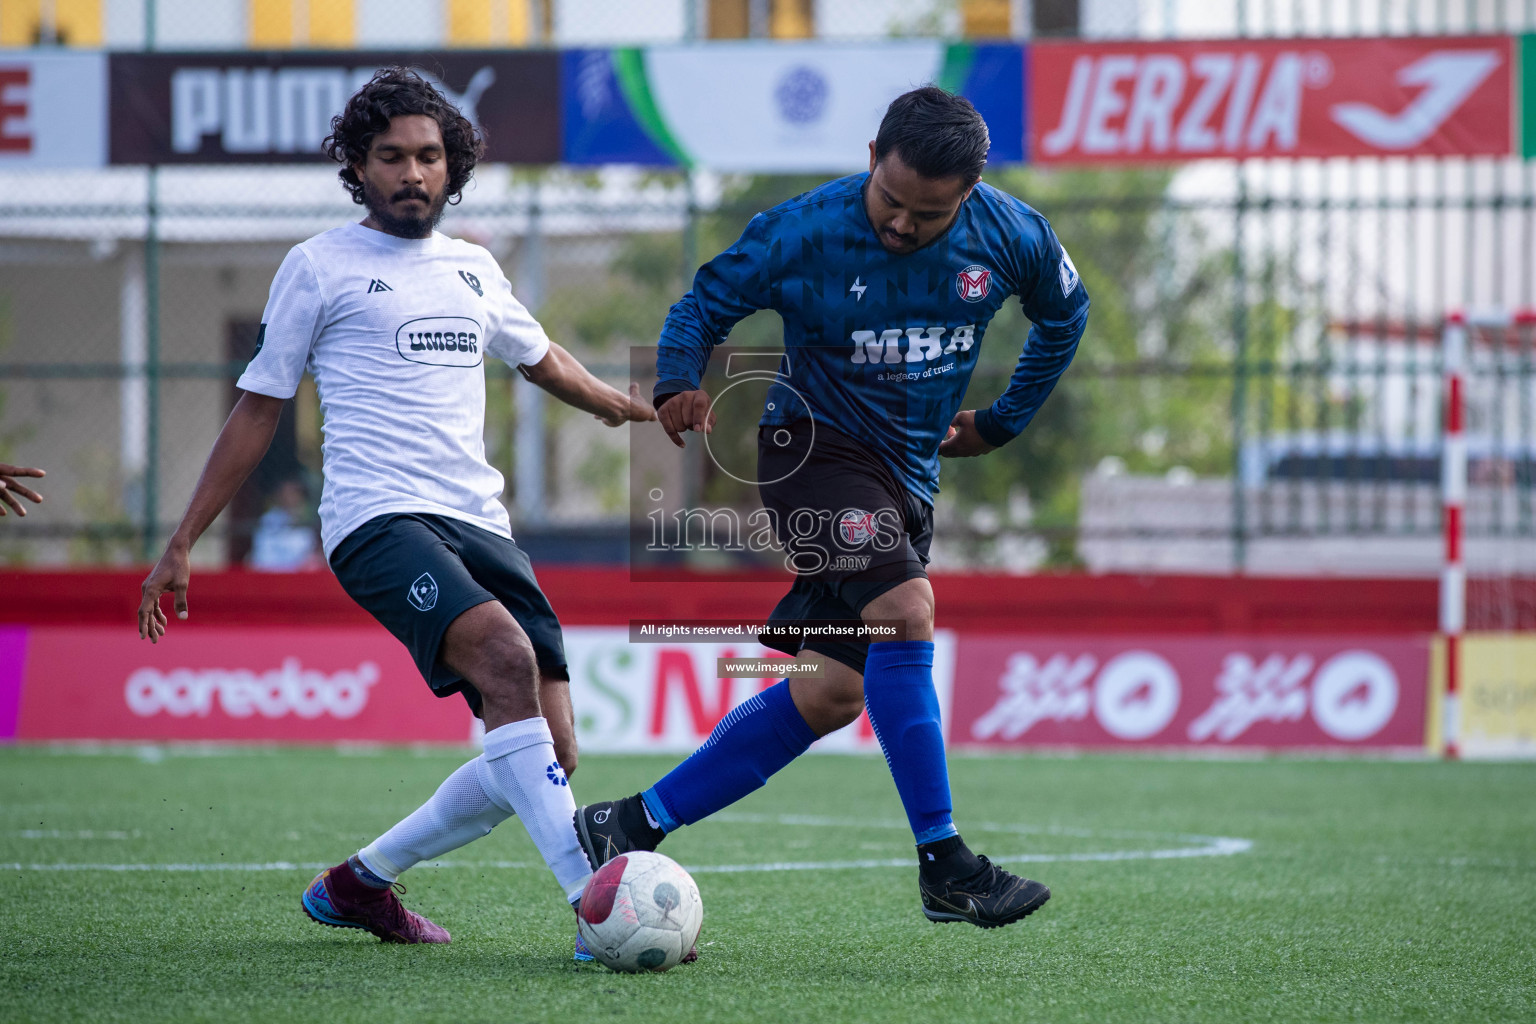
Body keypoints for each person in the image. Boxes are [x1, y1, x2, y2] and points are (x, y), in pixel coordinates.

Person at [136, 68, 655, 954]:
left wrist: (620, 405)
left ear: (453, 168)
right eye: (392, 157)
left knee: (548, 751)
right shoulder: (318, 266)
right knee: (503, 656)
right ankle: (593, 905)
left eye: (429, 156)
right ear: (359, 168)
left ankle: (358, 884)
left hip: (480, 523)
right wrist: (184, 539)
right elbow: (259, 406)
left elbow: (541, 356)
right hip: (378, 520)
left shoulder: (475, 267)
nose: (413, 173)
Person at [575, 87, 1090, 930]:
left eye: (927, 214)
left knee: (830, 695)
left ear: (968, 194)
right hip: (809, 453)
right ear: (871, 155)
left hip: (906, 478)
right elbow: (703, 302)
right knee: (905, 609)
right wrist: (677, 378)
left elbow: (1065, 316)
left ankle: (629, 822)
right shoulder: (803, 228)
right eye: (889, 200)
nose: (900, 225)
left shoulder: (1013, 234)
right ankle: (946, 862)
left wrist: (1000, 424)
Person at [248, 478, 322, 571]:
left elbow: (307, 552)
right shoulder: (269, 519)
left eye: (295, 494)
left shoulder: (306, 521)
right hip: (270, 572)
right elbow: (263, 553)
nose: (291, 498)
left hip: (299, 574)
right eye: (287, 494)